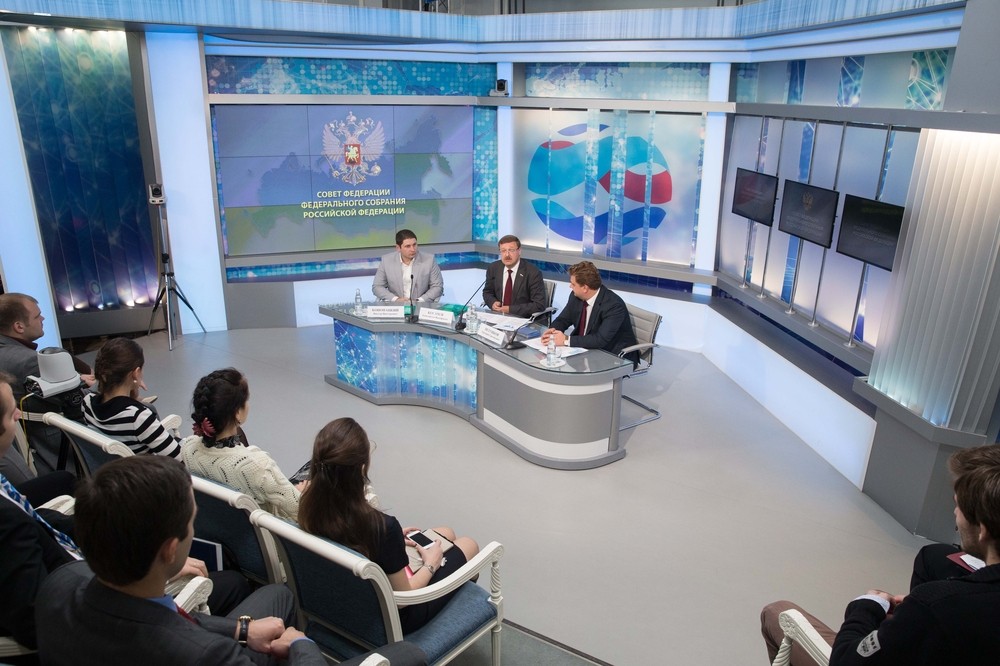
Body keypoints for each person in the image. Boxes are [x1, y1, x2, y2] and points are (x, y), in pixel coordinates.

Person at [35, 455, 427, 666]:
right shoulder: (208, 656)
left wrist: (242, 630)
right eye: (191, 523)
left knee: (278, 596)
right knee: (409, 655)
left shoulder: (60, 583)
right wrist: (301, 645)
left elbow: (163, 619)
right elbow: (178, 635)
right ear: (170, 550)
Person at [760, 444, 1000, 666]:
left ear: (983, 530)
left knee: (776, 612)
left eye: (958, 505)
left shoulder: (934, 605)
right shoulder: (935, 604)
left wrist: (865, 608)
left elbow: (845, 661)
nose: (955, 513)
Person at [298, 417, 479, 633]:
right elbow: (403, 598)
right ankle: (457, 609)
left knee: (446, 533)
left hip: (340, 599)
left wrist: (392, 543)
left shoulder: (308, 507)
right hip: (391, 617)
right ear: (362, 468)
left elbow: (349, 537)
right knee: (468, 545)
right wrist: (431, 564)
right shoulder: (382, 527)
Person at [0, 370, 80, 656]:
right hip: (82, 605)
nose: (18, 416)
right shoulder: (7, 524)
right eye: (11, 413)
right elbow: (34, 623)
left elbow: (30, 518)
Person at [181, 369, 300, 522]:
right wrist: (299, 491)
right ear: (237, 412)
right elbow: (302, 511)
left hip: (220, 528)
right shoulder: (256, 466)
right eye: (246, 400)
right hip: (268, 533)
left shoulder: (188, 448)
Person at [0, 293, 93, 479]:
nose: (42, 319)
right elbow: (79, 399)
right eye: (37, 316)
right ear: (19, 327)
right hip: (59, 441)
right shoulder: (31, 361)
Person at [82, 337, 182, 458]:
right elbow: (180, 458)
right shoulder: (138, 417)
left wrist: (133, 397)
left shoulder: (87, 403)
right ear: (136, 373)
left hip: (115, 468)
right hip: (145, 468)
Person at [541, 261, 638, 365]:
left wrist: (566, 339)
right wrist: (553, 332)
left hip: (613, 356)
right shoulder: (575, 296)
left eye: (573, 284)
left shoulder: (613, 306)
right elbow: (563, 319)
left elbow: (600, 339)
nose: (570, 286)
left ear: (585, 288)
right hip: (584, 351)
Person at [482, 234, 547, 318]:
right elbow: (487, 292)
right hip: (498, 316)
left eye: (511, 250)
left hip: (522, 319)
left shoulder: (532, 272)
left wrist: (509, 309)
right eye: (503, 251)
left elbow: (539, 304)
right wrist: (493, 302)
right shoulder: (493, 268)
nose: (507, 255)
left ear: (519, 251)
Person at [372, 229, 444, 303]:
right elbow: (377, 287)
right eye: (408, 246)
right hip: (396, 306)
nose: (413, 249)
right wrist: (396, 299)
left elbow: (437, 287)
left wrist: (419, 301)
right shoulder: (386, 261)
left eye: (414, 245)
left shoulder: (429, 260)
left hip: (421, 305)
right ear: (398, 248)